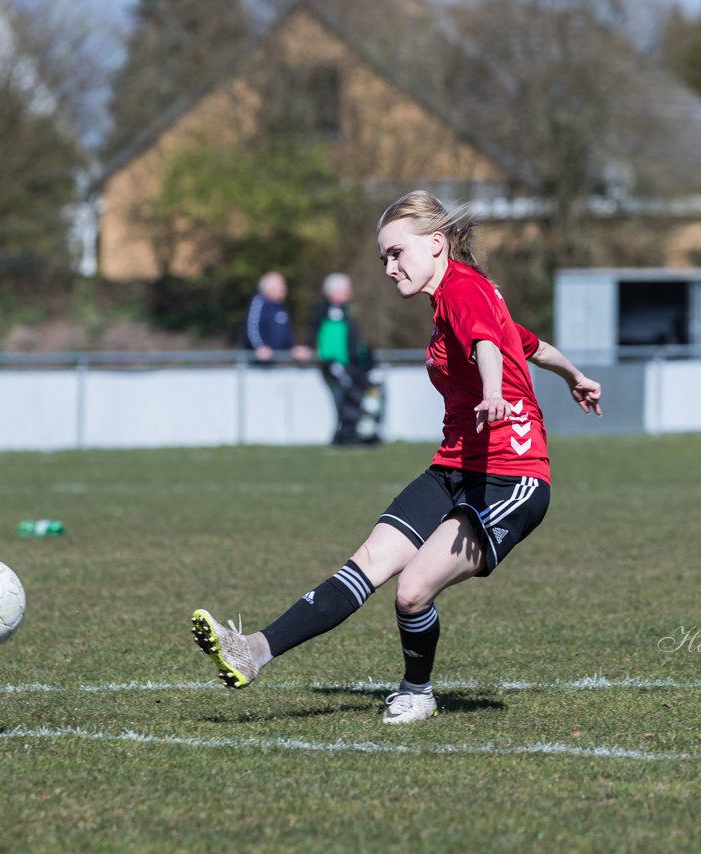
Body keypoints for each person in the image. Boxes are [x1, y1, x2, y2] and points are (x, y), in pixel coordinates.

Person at [193, 190, 602, 724]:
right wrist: (576, 377)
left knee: (411, 592)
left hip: (511, 478)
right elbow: (528, 343)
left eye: (395, 253)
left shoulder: (463, 288)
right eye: (382, 258)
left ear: (436, 244)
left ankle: (417, 691)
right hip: (453, 467)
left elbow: (487, 347)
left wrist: (494, 392)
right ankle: (253, 651)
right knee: (368, 563)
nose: (388, 267)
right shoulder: (454, 302)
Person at [309, 272, 381, 445]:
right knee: (348, 399)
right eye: (346, 289)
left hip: (354, 365)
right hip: (336, 364)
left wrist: (366, 359)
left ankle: (366, 434)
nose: (349, 293)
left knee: (370, 396)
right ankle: (346, 436)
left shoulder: (348, 311)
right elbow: (320, 337)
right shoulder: (324, 311)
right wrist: (328, 359)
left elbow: (356, 342)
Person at [240, 271, 311, 362]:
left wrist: (294, 348)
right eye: (281, 285)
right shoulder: (258, 302)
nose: (284, 289)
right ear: (269, 287)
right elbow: (252, 327)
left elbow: (286, 333)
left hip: (274, 361)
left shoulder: (280, 307)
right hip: (256, 362)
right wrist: (259, 346)